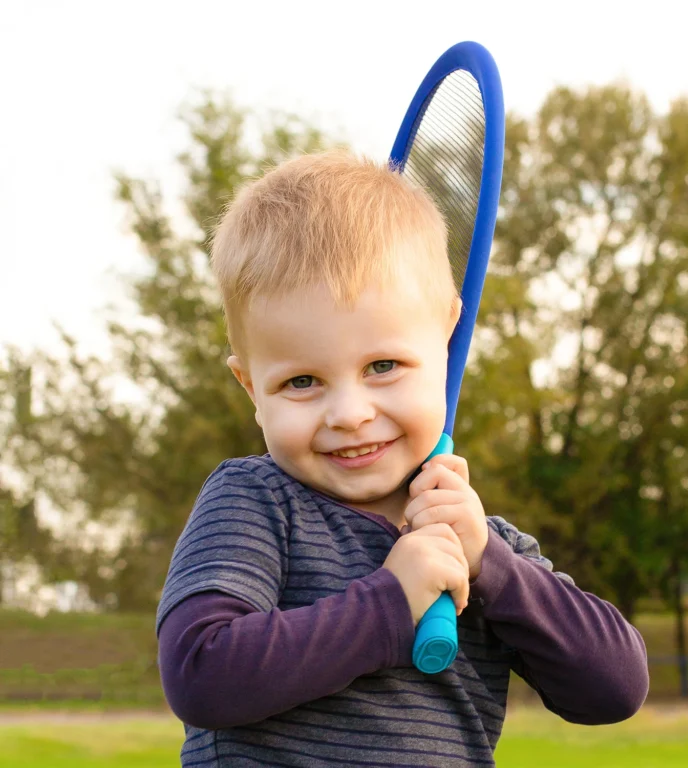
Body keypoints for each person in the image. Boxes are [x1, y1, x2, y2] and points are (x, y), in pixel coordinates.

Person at [156, 151, 649, 767]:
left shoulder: (478, 542)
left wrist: (490, 566)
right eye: (302, 381)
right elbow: (200, 673)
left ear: (447, 340)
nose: (349, 413)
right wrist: (390, 601)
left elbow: (615, 687)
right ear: (252, 389)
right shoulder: (255, 501)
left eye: (382, 366)